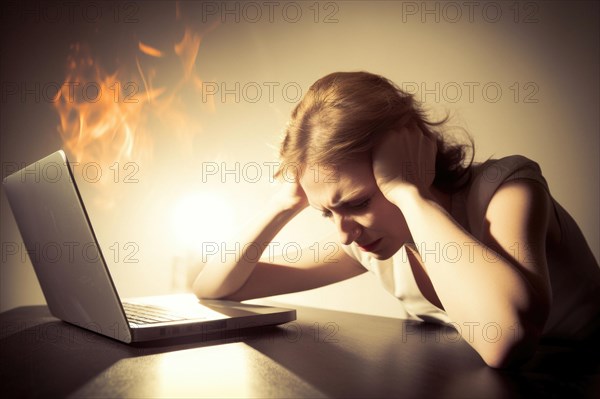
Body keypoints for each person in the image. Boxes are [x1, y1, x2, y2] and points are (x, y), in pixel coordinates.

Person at [193, 71, 600, 368]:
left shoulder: (505, 189)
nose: (344, 233)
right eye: (327, 212)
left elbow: (506, 341)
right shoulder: (373, 246)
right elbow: (216, 289)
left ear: (407, 158)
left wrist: (409, 193)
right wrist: (282, 203)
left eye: (356, 202)